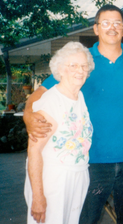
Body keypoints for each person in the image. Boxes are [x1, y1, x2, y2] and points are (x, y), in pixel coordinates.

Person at [23, 5, 123, 224]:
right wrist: (27, 117)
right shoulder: (81, 60)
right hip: (92, 161)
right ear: (96, 28)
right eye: (106, 23)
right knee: (85, 220)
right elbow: (38, 96)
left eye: (118, 23)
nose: (112, 27)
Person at [24, 42, 94, 224]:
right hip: (54, 181)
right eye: (73, 65)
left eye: (84, 66)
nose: (80, 70)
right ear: (60, 70)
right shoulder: (51, 101)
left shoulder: (79, 96)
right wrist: (38, 197)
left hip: (78, 176)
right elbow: (34, 151)